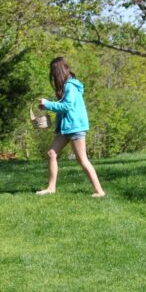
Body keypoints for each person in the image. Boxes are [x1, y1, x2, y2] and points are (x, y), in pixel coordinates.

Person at [37, 57, 105, 198]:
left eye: (53, 72)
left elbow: (67, 106)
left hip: (75, 127)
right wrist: (47, 106)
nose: (52, 75)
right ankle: (51, 188)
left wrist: (48, 104)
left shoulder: (70, 86)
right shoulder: (67, 86)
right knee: (51, 153)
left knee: (82, 160)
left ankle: (99, 191)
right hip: (65, 128)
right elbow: (64, 106)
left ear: (58, 71)